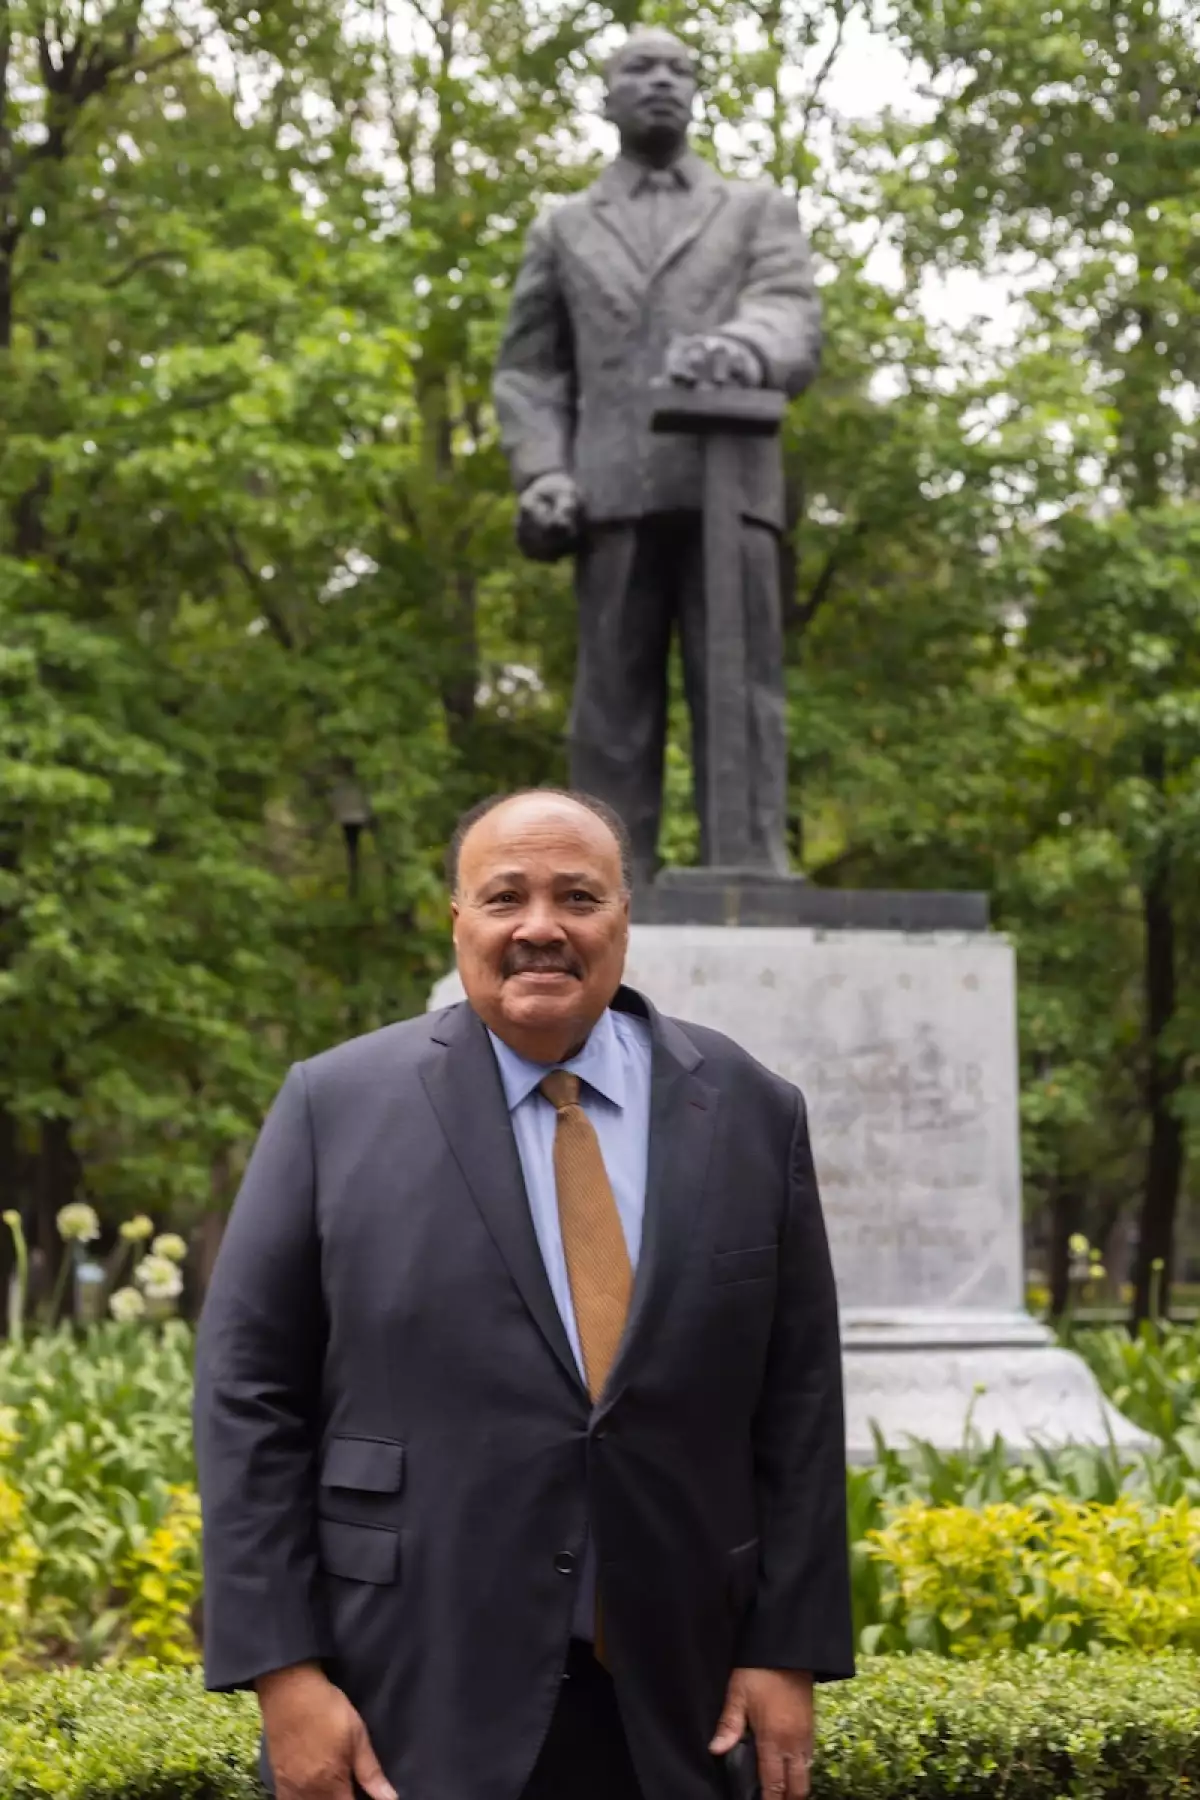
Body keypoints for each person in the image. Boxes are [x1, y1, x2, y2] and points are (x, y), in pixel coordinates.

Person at [194, 787, 853, 1800]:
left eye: (577, 897)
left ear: (624, 918)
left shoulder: (752, 1110)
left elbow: (799, 1400)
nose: (540, 927)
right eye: (506, 897)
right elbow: (249, 1398)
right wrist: (284, 1673)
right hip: (408, 1689)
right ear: (459, 920)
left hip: (684, 1697)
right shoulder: (333, 1107)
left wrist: (787, 1648)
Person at [492, 30, 822, 883]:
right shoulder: (562, 227)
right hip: (611, 493)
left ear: (697, 92)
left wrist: (743, 348)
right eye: (641, 69)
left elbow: (790, 312)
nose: (662, 81)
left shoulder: (754, 209)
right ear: (606, 97)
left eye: (680, 69)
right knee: (610, 710)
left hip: (731, 486)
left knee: (742, 693)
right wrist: (544, 473)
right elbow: (530, 368)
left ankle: (752, 869)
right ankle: (605, 882)